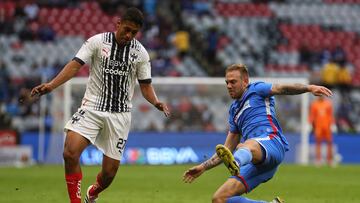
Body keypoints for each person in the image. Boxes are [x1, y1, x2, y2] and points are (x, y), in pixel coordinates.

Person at [31, 7, 170, 203]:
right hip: (92, 107)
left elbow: (145, 86)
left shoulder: (141, 54)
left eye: (134, 32)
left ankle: (93, 193)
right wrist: (51, 85)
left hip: (120, 115)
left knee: (109, 175)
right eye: (126, 29)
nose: (129, 35)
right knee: (70, 153)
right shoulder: (97, 42)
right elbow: (75, 65)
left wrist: (156, 101)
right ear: (118, 24)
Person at [183, 64, 333, 203]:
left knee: (247, 145)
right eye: (227, 82)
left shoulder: (257, 89)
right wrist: (203, 167)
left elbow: (282, 88)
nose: (229, 86)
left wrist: (308, 88)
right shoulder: (234, 112)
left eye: (233, 82)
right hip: (256, 162)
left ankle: (237, 161)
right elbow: (225, 150)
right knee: (219, 199)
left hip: (271, 143)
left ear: (245, 81)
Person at [309, 96, 334, 166]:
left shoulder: (328, 104)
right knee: (318, 143)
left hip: (327, 127)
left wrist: (332, 124)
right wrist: (310, 123)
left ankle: (330, 160)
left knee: (329, 143)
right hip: (318, 127)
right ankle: (318, 160)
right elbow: (312, 115)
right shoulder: (314, 104)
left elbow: (330, 115)